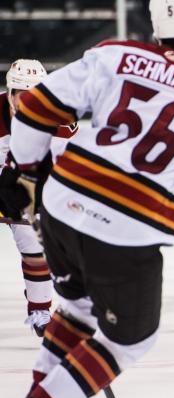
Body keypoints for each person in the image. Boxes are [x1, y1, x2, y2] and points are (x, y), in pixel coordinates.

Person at [9, 0, 174, 398]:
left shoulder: (115, 53)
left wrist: (25, 175)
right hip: (128, 227)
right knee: (131, 340)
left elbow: (34, 106)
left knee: (78, 310)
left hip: (60, 207)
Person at [0, 59, 76, 337]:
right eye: (23, 95)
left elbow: (66, 169)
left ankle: (39, 311)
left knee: (34, 247)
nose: (29, 102)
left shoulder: (60, 121)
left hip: (25, 192)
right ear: (10, 93)